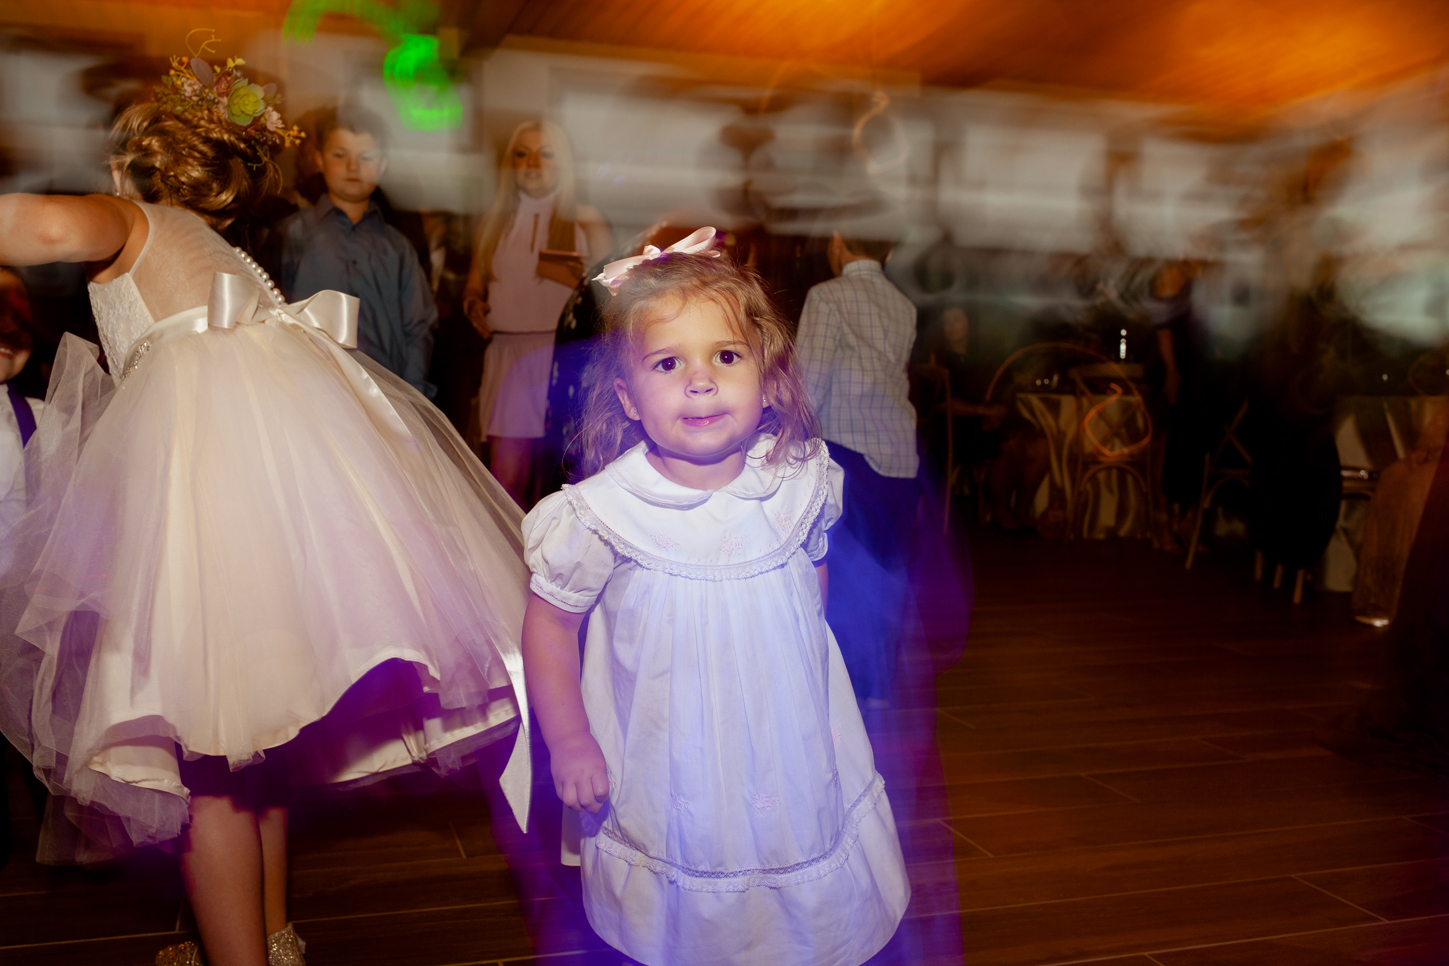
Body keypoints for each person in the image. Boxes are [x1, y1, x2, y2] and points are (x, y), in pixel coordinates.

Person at [0, 55, 532, 966]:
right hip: (262, 515)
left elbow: (32, 224)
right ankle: (274, 935)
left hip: (203, 511)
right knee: (254, 748)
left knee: (208, 767)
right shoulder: (229, 253)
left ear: (127, 167)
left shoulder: (133, 219)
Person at [519, 232, 909, 966]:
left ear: (767, 377)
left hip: (789, 746)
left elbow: (811, 581)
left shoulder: (799, 482)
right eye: (668, 363)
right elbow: (548, 628)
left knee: (796, 902)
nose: (700, 381)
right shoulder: (601, 515)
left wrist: (803, 680)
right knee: (688, 919)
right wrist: (568, 738)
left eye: (725, 356)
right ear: (627, 397)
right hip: (672, 764)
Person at [795, 230, 918, 705]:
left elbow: (810, 385)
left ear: (838, 241)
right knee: (888, 572)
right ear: (889, 248)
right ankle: (878, 687)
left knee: (845, 578)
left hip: (847, 454)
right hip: (899, 454)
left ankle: (846, 692)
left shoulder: (827, 296)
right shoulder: (904, 305)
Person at [462, 120, 611, 506]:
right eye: (522, 153)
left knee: (561, 480)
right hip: (509, 357)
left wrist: (582, 283)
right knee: (506, 480)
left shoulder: (585, 219)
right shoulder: (494, 221)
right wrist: (474, 305)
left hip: (564, 360)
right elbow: (475, 286)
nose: (532, 163)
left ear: (563, 162)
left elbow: (613, 299)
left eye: (545, 154)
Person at [270, 104, 437, 397]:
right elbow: (272, 316)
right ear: (319, 160)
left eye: (366, 157)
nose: (352, 166)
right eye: (340, 155)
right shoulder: (291, 235)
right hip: (310, 392)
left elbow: (418, 329)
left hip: (385, 395)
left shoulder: (397, 246)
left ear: (382, 166)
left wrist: (412, 395)